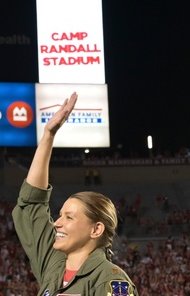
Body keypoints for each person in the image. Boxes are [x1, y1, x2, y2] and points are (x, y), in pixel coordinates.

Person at [12, 92, 138, 296]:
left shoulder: (109, 279)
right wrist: (48, 136)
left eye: (69, 217)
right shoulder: (54, 265)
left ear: (96, 229)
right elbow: (32, 204)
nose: (56, 223)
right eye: (60, 215)